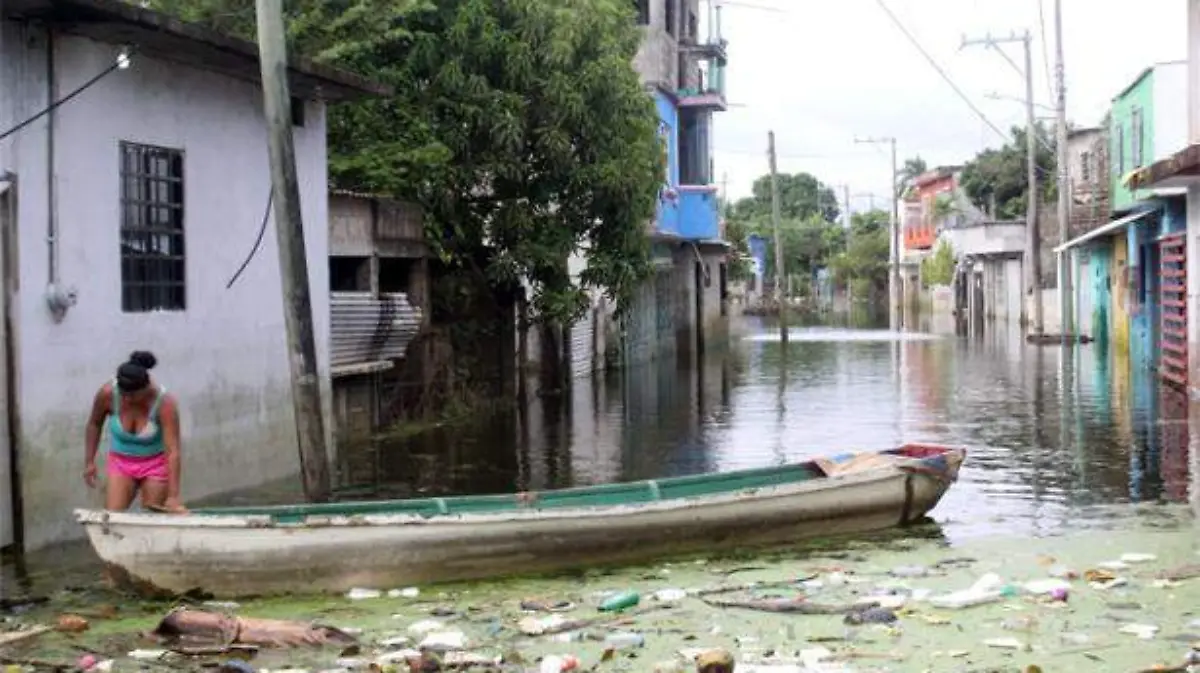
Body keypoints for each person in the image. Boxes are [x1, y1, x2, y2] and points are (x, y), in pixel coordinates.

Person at [84, 351, 186, 513]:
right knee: (112, 516)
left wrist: (173, 496)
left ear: (145, 389)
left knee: (151, 517)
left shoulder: (164, 404)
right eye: (124, 395)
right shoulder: (107, 394)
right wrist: (89, 461)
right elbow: (94, 424)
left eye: (132, 396)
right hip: (121, 463)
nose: (127, 400)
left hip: (155, 465)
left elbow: (172, 451)